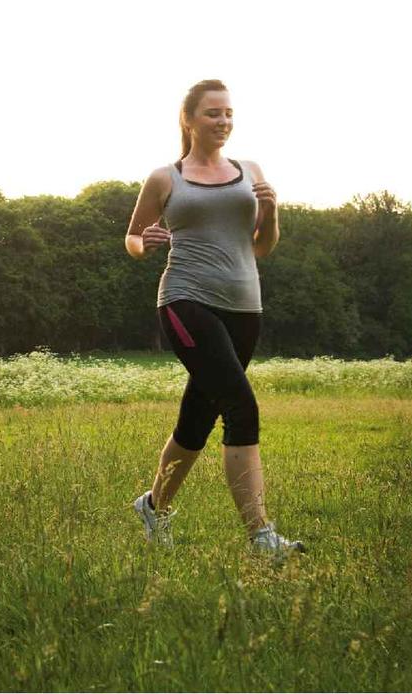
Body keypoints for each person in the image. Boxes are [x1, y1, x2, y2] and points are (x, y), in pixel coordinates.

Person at [125, 79, 304, 557]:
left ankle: (153, 506)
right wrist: (148, 242)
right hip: (186, 300)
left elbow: (261, 246)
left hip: (245, 306)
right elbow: (134, 238)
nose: (223, 121)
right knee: (241, 407)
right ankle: (262, 538)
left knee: (197, 419)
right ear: (189, 119)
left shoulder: (251, 171)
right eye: (212, 114)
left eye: (228, 113)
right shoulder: (167, 177)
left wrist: (271, 210)